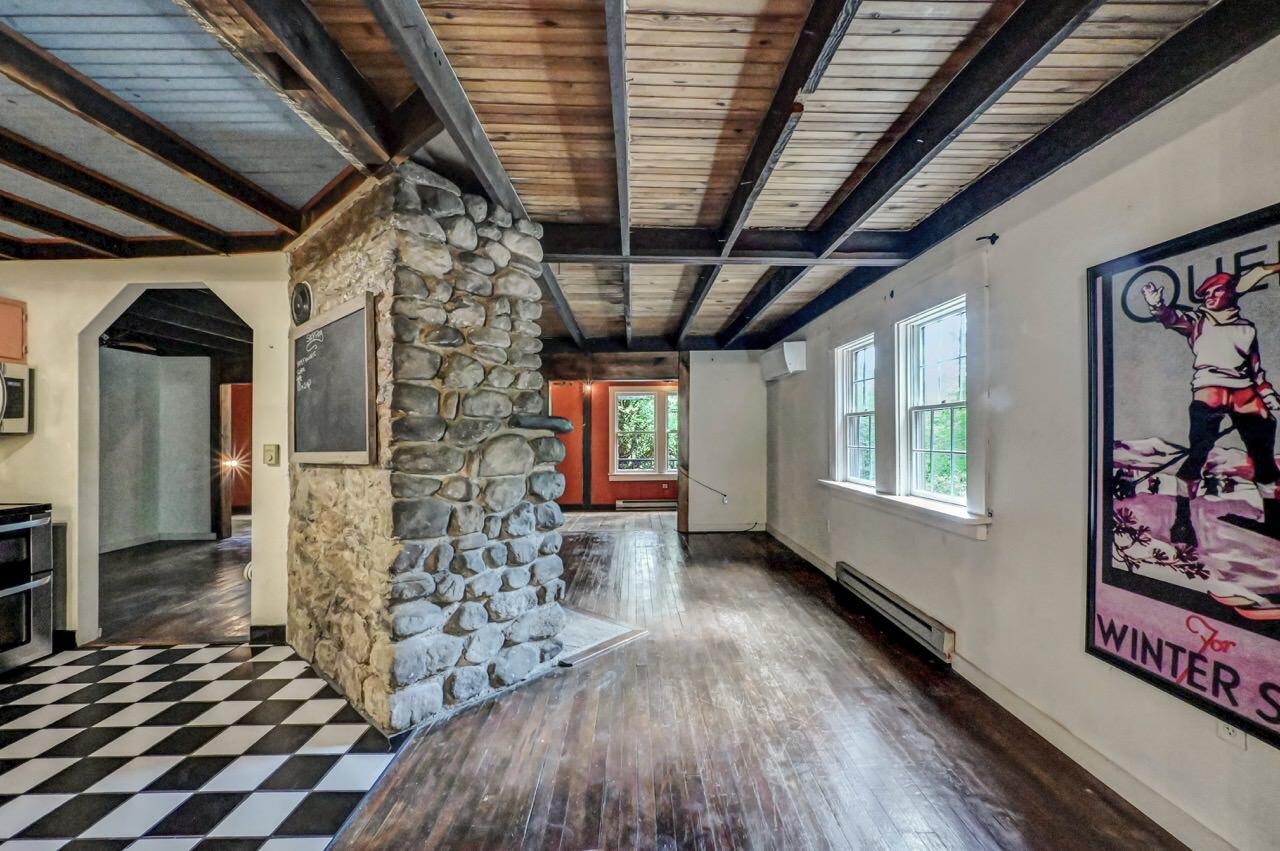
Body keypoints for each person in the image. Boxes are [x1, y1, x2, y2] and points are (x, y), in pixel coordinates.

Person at [1143, 263, 1280, 619]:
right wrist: (1158, 306)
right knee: (1198, 456)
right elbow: (1172, 318)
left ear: (1230, 292)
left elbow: (1255, 368)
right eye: (1205, 294)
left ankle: (1274, 516)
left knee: (1263, 455)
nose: (1209, 297)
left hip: (1245, 392)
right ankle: (1183, 519)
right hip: (1211, 391)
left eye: (1215, 291)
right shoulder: (1200, 322)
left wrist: (1268, 395)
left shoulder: (1246, 328)